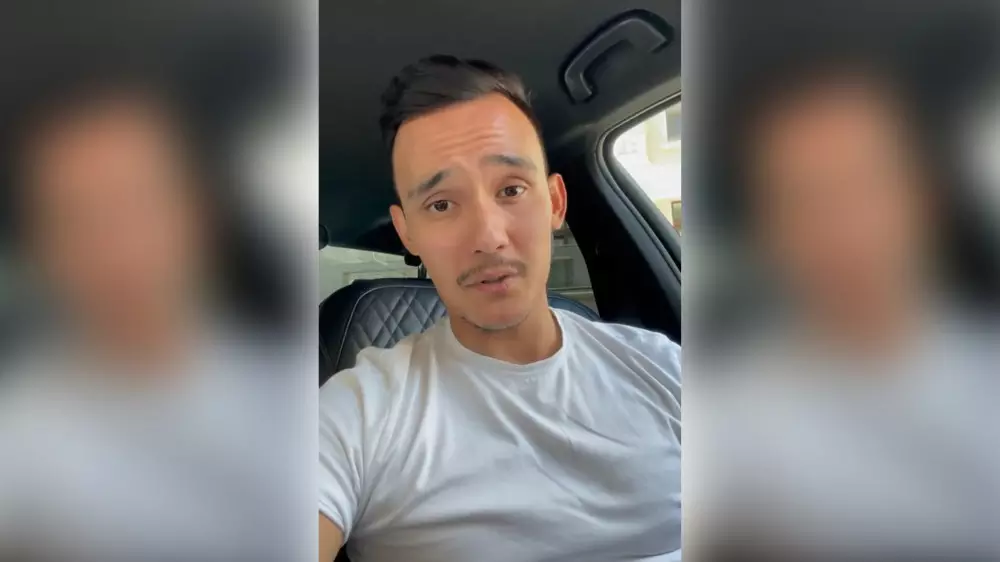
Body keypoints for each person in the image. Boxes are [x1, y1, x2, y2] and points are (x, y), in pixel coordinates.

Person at [318, 56, 682, 562]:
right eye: (441, 204)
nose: (489, 237)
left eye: (511, 189)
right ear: (408, 232)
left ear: (555, 202)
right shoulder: (360, 411)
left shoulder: (664, 368)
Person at [701, 58, 1000, 557]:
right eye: (801, 198)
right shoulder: (731, 420)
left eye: (863, 185)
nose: (839, 227)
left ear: (925, 199)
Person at [0, 80, 304, 561]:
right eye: (76, 215)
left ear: (197, 217)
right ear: (42, 249)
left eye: (138, 201)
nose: (114, 246)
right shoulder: (20, 430)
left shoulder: (292, 391)